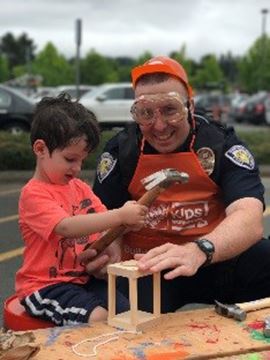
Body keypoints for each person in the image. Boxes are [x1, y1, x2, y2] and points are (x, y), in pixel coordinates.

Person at [82, 55, 270, 314]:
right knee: (109, 308)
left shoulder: (221, 144)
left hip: (213, 257)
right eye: (145, 113)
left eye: (170, 109)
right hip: (147, 265)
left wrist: (199, 250)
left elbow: (249, 217)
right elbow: (102, 215)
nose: (159, 126)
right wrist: (108, 252)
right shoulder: (121, 151)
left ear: (190, 106)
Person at [15, 94, 147, 326]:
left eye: (82, 161)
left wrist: (125, 225)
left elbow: (104, 223)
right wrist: (119, 215)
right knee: (98, 318)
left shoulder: (79, 188)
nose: (77, 168)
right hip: (46, 286)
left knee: (126, 312)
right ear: (40, 149)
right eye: (70, 159)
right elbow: (66, 227)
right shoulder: (34, 194)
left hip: (83, 279)